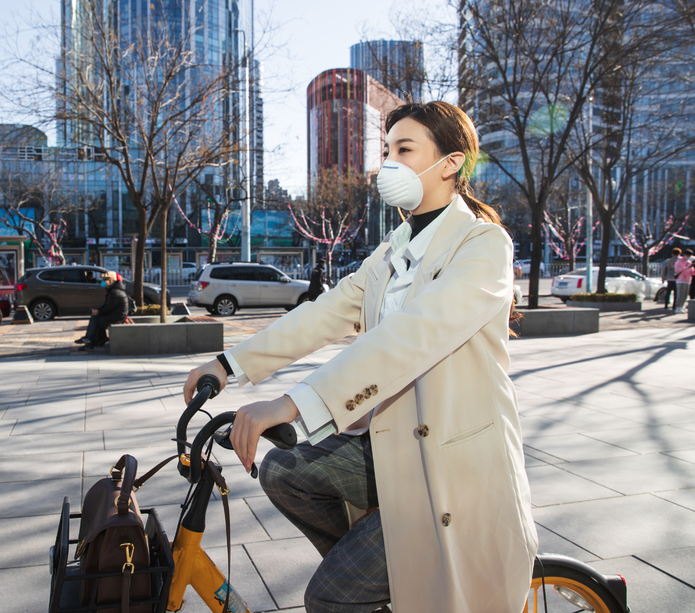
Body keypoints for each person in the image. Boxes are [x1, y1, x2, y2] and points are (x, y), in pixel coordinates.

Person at [183, 101, 537, 613]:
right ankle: (389, 575)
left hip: (450, 465)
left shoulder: (483, 245)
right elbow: (322, 313)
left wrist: (293, 403)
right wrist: (229, 364)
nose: (388, 163)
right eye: (386, 150)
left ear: (451, 163)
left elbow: (411, 337)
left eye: (405, 149)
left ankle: (379, 577)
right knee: (284, 472)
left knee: (330, 596)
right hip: (388, 446)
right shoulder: (393, 249)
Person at [75, 270, 128, 349]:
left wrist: (99, 312)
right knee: (95, 317)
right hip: (114, 314)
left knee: (98, 321)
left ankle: (91, 340)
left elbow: (109, 308)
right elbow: (105, 305)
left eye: (105, 280)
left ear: (111, 281)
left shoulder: (115, 292)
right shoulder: (112, 290)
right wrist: (98, 310)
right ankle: (92, 339)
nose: (103, 282)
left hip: (118, 316)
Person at [675, 249, 694, 314]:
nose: (688, 257)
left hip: (687, 280)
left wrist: (692, 268)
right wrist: (687, 267)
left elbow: (691, 272)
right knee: (680, 294)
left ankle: (681, 306)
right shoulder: (679, 261)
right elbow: (678, 270)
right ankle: (677, 307)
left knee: (685, 295)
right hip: (681, 280)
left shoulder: (689, 262)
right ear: (684, 255)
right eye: (687, 255)